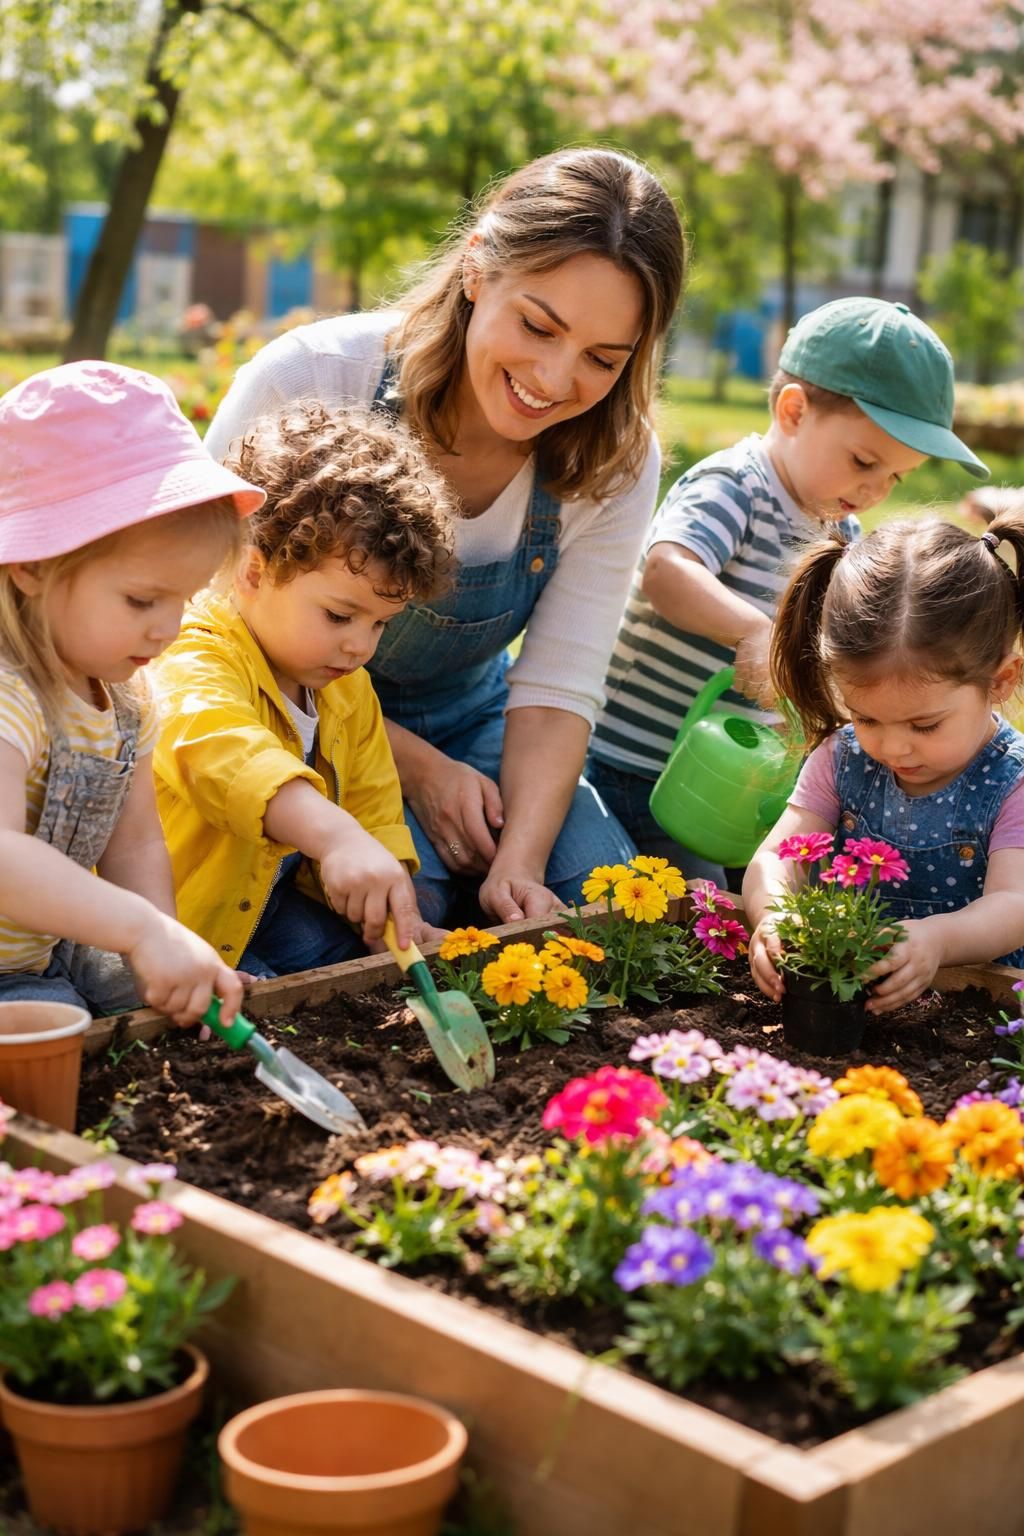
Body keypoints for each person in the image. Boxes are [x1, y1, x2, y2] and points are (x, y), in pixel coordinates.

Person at [205, 147, 685, 927]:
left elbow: (558, 689)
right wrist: (415, 768)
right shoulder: (317, 376)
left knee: (600, 897)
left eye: (603, 359)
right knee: (389, 912)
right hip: (280, 712)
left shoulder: (616, 461)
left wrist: (520, 864)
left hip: (477, 720)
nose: (556, 381)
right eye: (538, 326)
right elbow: (204, 620)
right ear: (476, 269)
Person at [587, 297, 989, 883]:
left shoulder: (840, 530)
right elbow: (668, 570)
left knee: (782, 882)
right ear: (795, 410)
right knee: (696, 904)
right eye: (863, 461)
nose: (875, 489)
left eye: (895, 478)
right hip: (643, 766)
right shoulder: (736, 486)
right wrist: (753, 631)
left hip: (740, 776)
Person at [153, 403, 455, 979]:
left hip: (263, 903)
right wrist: (335, 837)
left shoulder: (346, 687)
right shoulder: (192, 649)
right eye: (340, 616)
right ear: (253, 571)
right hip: (171, 924)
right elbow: (221, 750)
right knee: (263, 999)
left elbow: (372, 804)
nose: (360, 647)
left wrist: (392, 906)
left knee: (349, 965)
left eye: (379, 625)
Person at [0, 361, 263, 1024]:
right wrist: (141, 933)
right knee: (56, 1028)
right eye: (143, 599)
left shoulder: (124, 698)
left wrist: (166, 943)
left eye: (183, 599)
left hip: (47, 949)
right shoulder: (10, 694)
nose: (168, 627)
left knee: (200, 1002)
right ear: (32, 564)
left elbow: (136, 844)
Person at [743, 513, 1024, 1015]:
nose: (893, 749)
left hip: (978, 1011)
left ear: (1000, 680)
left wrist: (937, 941)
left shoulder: (1012, 783)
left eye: (924, 726)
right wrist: (775, 915)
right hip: (852, 1000)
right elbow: (775, 858)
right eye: (866, 717)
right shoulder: (841, 757)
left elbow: (1013, 905)